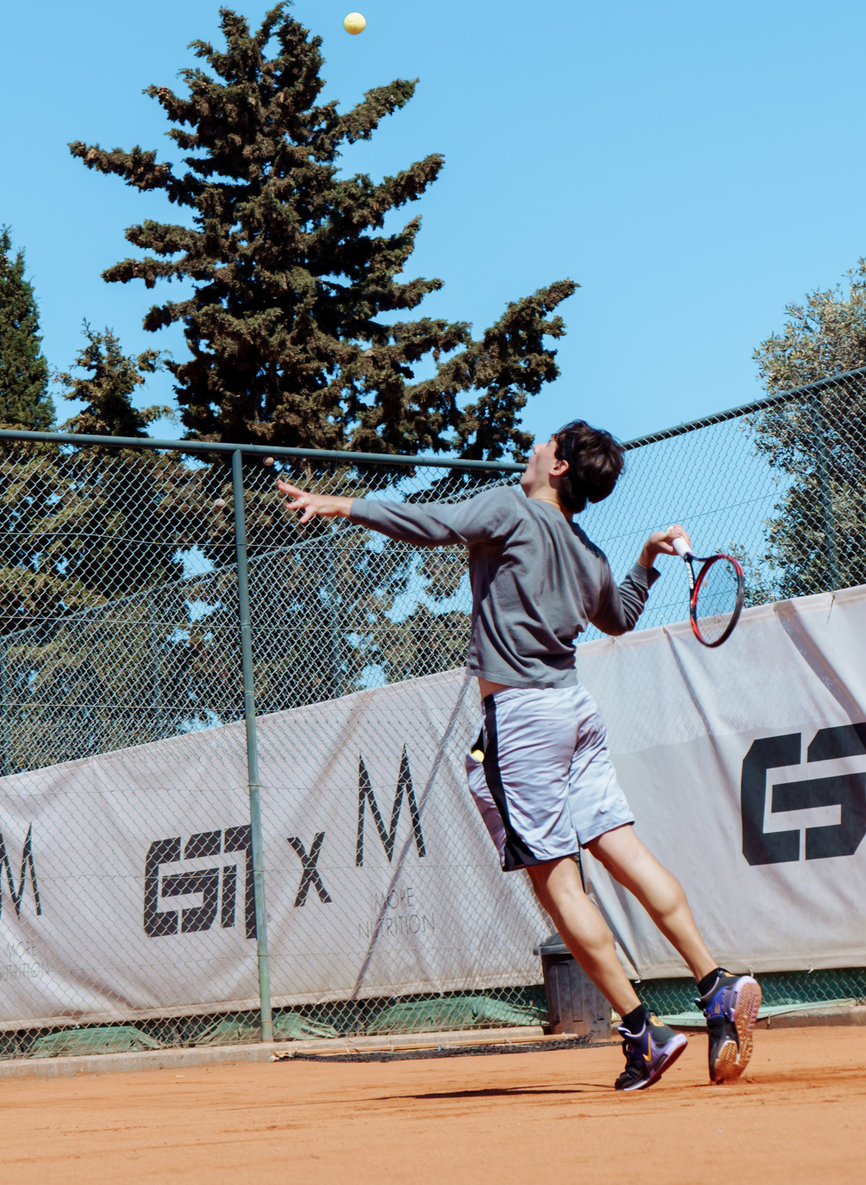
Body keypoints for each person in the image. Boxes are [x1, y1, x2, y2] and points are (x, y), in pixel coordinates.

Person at [278, 420, 761, 1091]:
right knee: (624, 851)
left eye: (545, 444)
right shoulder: (590, 554)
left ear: (559, 467)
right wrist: (645, 562)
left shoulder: (509, 507)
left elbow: (432, 523)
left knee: (557, 883)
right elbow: (619, 615)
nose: (533, 446)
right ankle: (714, 983)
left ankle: (641, 1033)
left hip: (524, 720)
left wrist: (342, 505)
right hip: (575, 713)